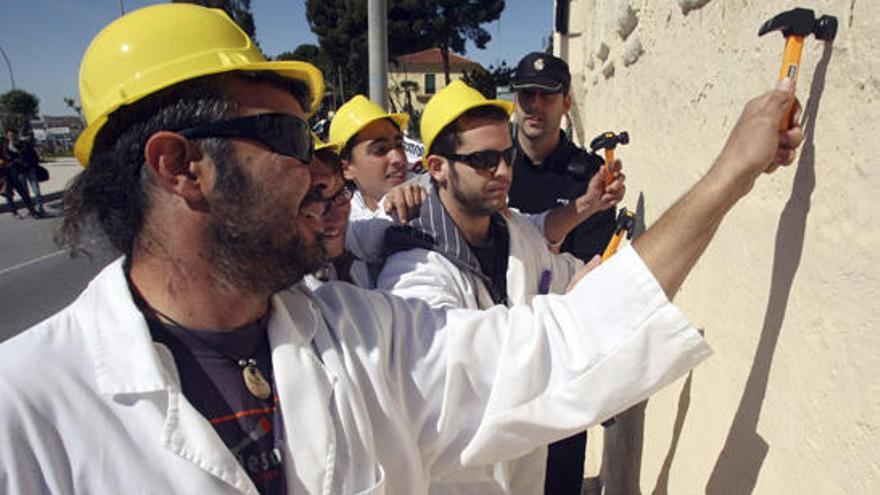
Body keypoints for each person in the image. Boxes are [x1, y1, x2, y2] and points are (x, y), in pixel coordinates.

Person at [0, 4, 802, 494]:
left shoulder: (364, 339)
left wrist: (729, 173)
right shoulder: (25, 413)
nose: (317, 169)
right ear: (179, 166)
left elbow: (561, 344)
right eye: (285, 136)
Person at [375, 79, 625, 492]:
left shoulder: (511, 230)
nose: (505, 172)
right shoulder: (412, 276)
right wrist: (568, 313)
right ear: (437, 167)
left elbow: (546, 243)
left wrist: (593, 238)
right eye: (484, 160)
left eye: (506, 155)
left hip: (525, 474)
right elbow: (474, 382)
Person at [506, 51, 620, 492]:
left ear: (566, 103)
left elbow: (587, 274)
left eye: (547, 96)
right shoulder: (493, 165)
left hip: (560, 359)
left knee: (558, 478)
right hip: (501, 351)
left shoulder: (588, 176)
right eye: (526, 95)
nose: (534, 105)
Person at [328, 94, 425, 222]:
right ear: (346, 169)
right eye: (380, 150)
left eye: (400, 145)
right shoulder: (340, 222)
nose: (398, 159)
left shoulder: (430, 192)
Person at [0, 130, 40, 219]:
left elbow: (14, 155)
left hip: (13, 171)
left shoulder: (5, 142)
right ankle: (14, 212)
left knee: (23, 192)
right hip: (3, 174)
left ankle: (32, 211)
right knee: (8, 193)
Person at [18, 128, 47, 216]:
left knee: (35, 191)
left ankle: (38, 208)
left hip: (30, 170)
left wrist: (32, 165)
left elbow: (35, 157)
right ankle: (32, 209)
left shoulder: (27, 146)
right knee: (26, 192)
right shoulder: (12, 147)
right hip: (21, 171)